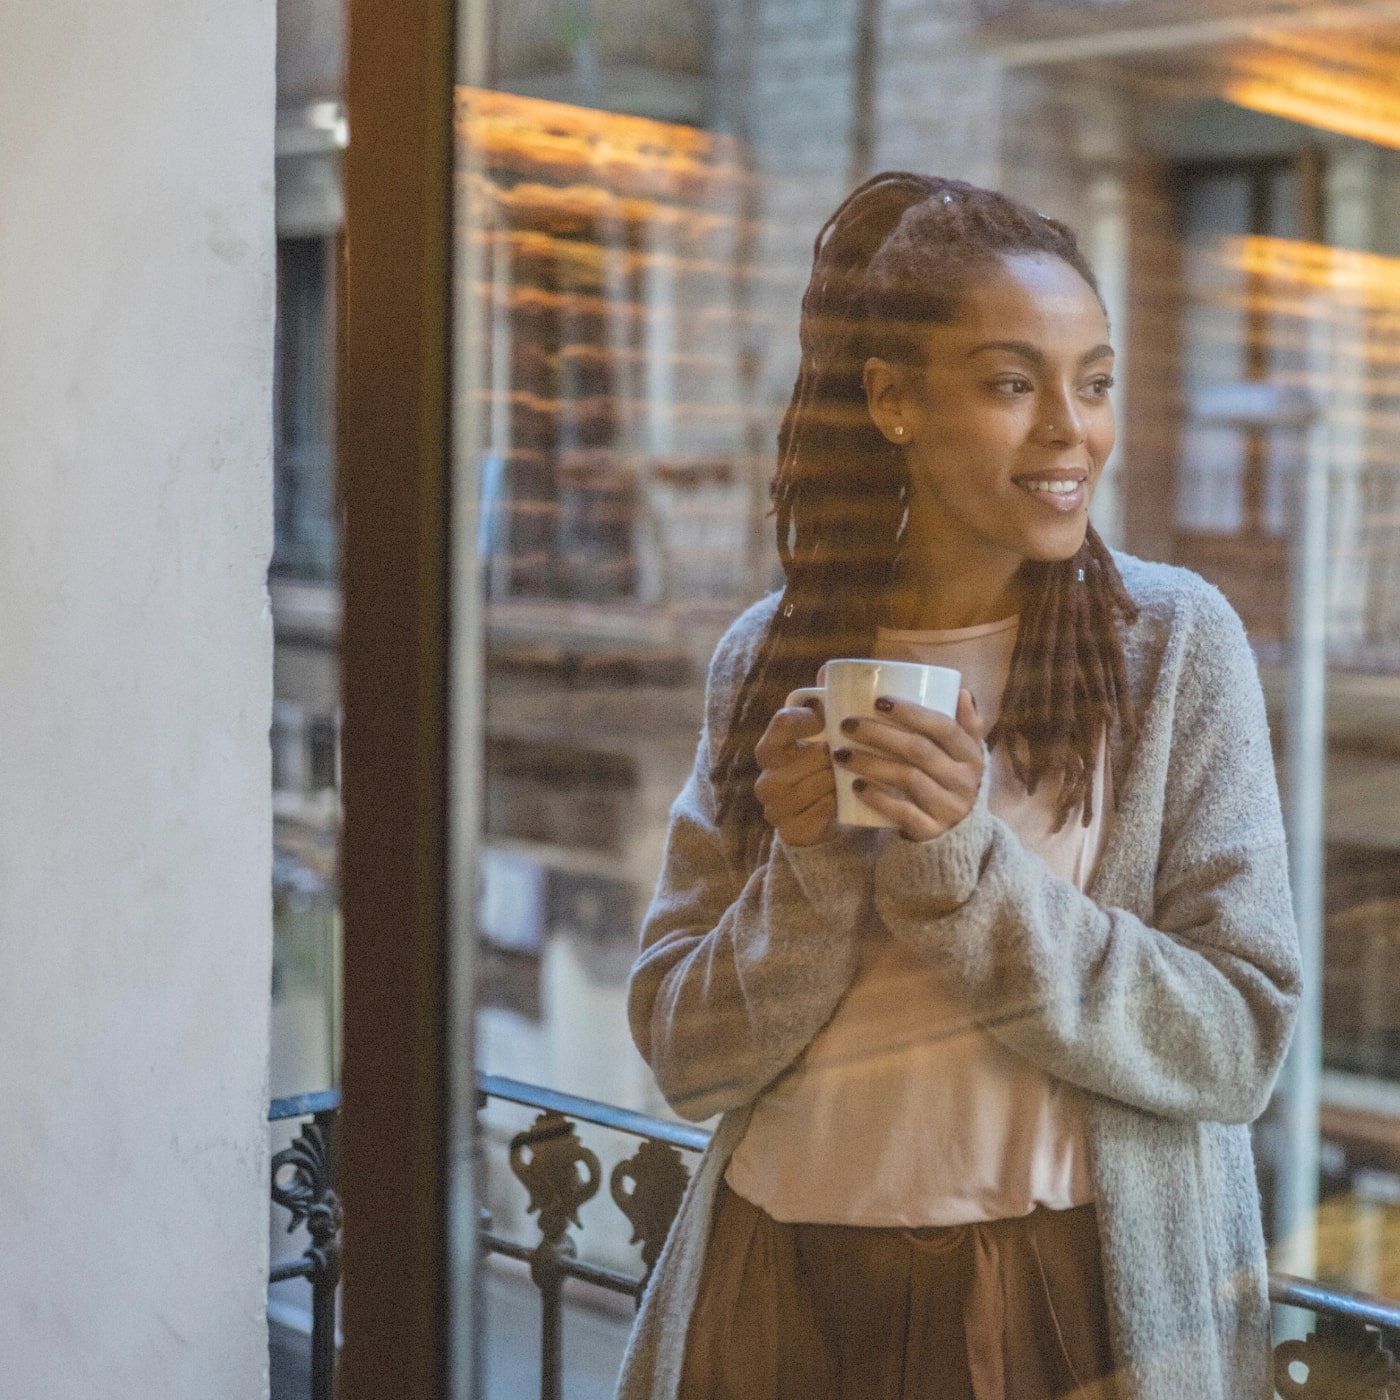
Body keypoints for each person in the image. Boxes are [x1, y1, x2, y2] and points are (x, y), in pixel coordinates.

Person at [616, 172, 1302, 1400]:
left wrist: (961, 869)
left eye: (1090, 381)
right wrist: (811, 864)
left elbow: (1237, 1037)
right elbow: (687, 1056)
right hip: (775, 1298)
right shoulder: (767, 660)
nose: (1067, 428)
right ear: (889, 399)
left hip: (1050, 1304)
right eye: (1008, 382)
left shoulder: (1170, 645)